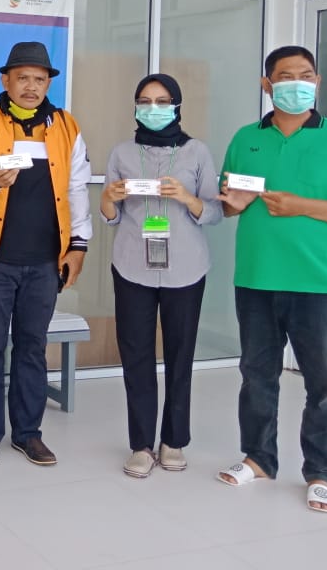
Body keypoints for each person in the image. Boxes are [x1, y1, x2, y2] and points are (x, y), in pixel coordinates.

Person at [216, 45, 327, 515]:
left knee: (325, 384)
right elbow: (231, 202)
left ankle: (322, 473)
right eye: (285, 76)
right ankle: (258, 458)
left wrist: (300, 205)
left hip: (318, 282)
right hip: (256, 278)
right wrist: (233, 204)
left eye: (305, 75)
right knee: (256, 375)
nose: (297, 84)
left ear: (318, 82)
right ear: (267, 85)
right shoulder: (246, 138)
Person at [0, 41, 91, 467]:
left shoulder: (66, 126)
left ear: (48, 83)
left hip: (45, 260)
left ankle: (28, 434)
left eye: (39, 79)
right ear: (6, 79)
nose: (31, 86)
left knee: (33, 347)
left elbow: (77, 189)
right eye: (23, 78)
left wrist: (78, 245)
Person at [100, 74, 223, 478]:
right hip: (132, 264)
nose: (153, 109)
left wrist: (187, 198)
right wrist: (107, 199)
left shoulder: (197, 151)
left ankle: (174, 440)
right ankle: (140, 445)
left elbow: (215, 212)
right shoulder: (121, 152)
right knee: (135, 355)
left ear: (177, 106)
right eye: (145, 101)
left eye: (162, 101)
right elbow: (111, 215)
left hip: (186, 267)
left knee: (180, 356)